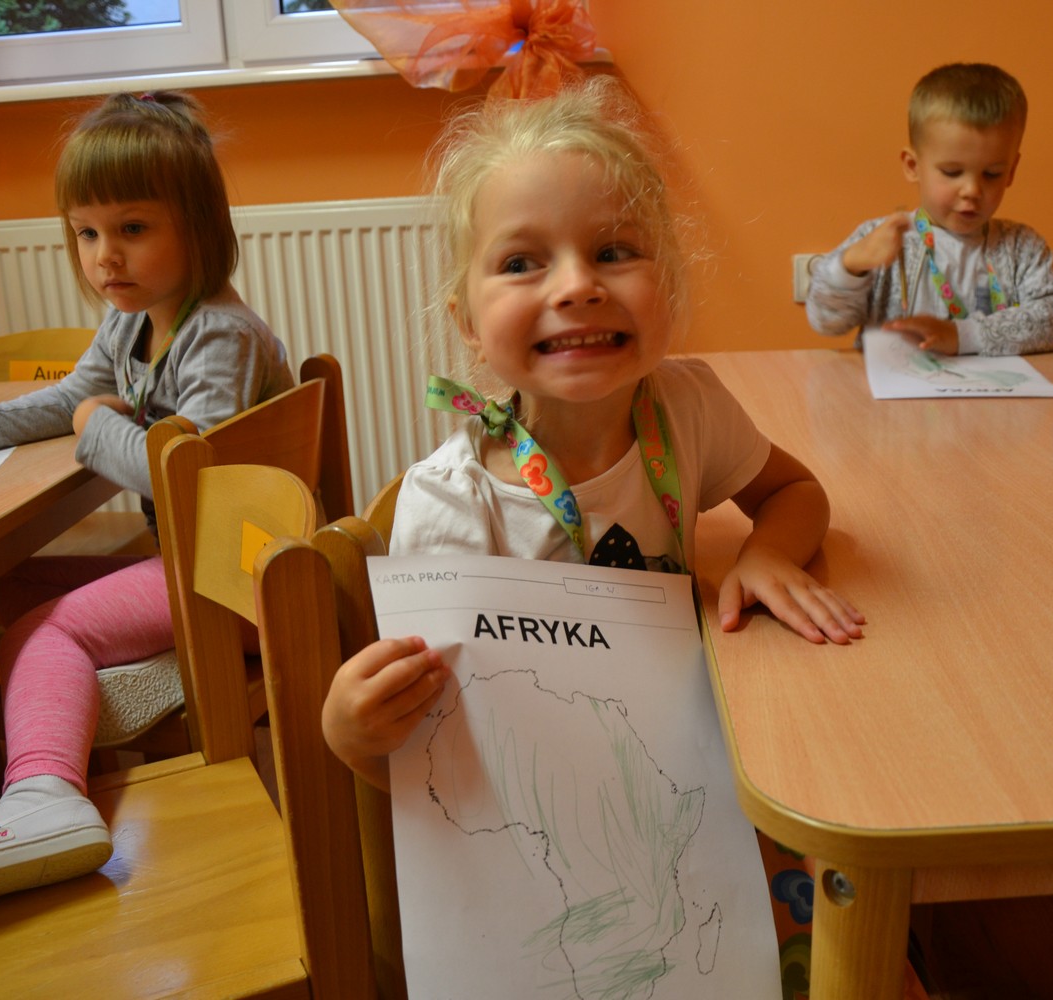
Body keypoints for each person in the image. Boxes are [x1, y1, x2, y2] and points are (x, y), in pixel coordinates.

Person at [318, 76, 920, 999]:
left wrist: (765, 550)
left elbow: (795, 491)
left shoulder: (686, 408)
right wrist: (351, 734)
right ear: (466, 323)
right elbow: (426, 752)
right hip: (552, 847)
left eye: (613, 251)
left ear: (667, 285)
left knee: (831, 940)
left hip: (695, 787)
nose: (577, 286)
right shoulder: (452, 505)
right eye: (522, 263)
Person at [0, 91, 293, 920]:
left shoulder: (219, 334)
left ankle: (42, 799)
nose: (104, 257)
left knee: (43, 630)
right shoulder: (132, 322)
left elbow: (188, 472)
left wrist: (96, 426)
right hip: (199, 562)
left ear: (200, 228)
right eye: (86, 233)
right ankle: (69, 742)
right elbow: (72, 398)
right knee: (15, 588)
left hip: (242, 577)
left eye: (132, 228)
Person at [806, 62, 1053, 357]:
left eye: (992, 173)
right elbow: (824, 321)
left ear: (1011, 171)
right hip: (892, 386)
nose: (972, 190)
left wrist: (961, 336)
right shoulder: (879, 239)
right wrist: (850, 266)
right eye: (952, 172)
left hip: (994, 387)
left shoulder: (1022, 247)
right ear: (913, 166)